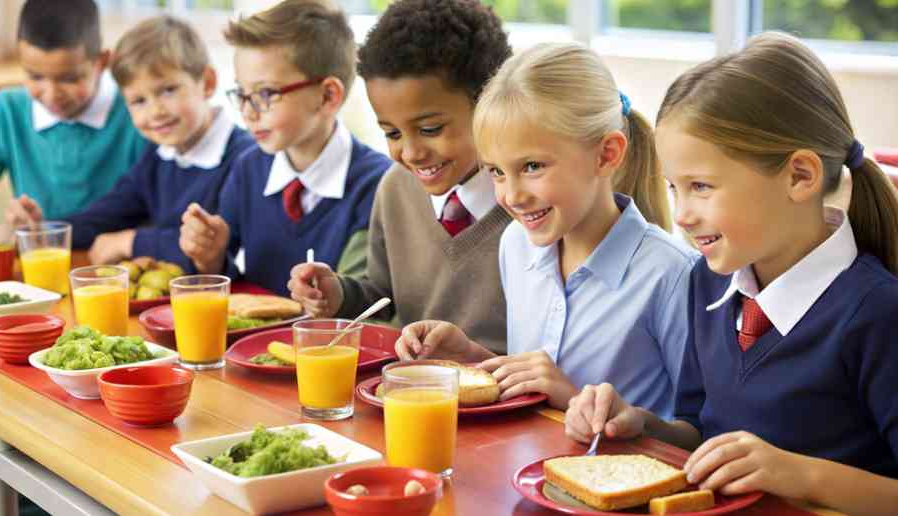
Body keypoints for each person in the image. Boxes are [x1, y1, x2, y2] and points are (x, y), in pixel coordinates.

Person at [565, 32, 898, 515]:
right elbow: (700, 428)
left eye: (701, 186)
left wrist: (802, 475)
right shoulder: (709, 281)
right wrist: (640, 424)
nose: (681, 215)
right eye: (675, 188)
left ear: (799, 177)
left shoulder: (878, 313)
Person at [395, 43, 695, 410]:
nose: (512, 196)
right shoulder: (516, 243)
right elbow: (532, 390)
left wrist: (570, 397)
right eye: (497, 172)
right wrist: (471, 356)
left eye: (533, 166)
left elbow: (696, 436)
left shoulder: (674, 275)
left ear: (606, 155)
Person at [287, 0, 514, 351]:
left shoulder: (531, 203)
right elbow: (383, 295)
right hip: (412, 393)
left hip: (505, 397)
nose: (410, 153)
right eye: (392, 134)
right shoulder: (396, 187)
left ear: (489, 102)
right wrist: (340, 294)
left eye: (430, 128)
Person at [5, 16, 253, 268]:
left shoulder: (245, 159)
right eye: (139, 101)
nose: (155, 111)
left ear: (208, 83)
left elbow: (215, 247)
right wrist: (43, 230)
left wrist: (130, 241)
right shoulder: (159, 156)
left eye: (168, 90)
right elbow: (105, 216)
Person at [179, 0, 390, 294]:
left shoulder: (378, 184)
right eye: (242, 93)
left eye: (265, 93)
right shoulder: (248, 168)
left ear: (328, 96)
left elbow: (370, 301)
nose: (248, 112)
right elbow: (229, 286)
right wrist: (210, 257)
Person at [0, 0, 146, 219]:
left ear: (102, 62)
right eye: (35, 76)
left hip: (126, 252)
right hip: (39, 252)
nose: (51, 94)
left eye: (70, 78)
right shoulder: (6, 112)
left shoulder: (140, 114)